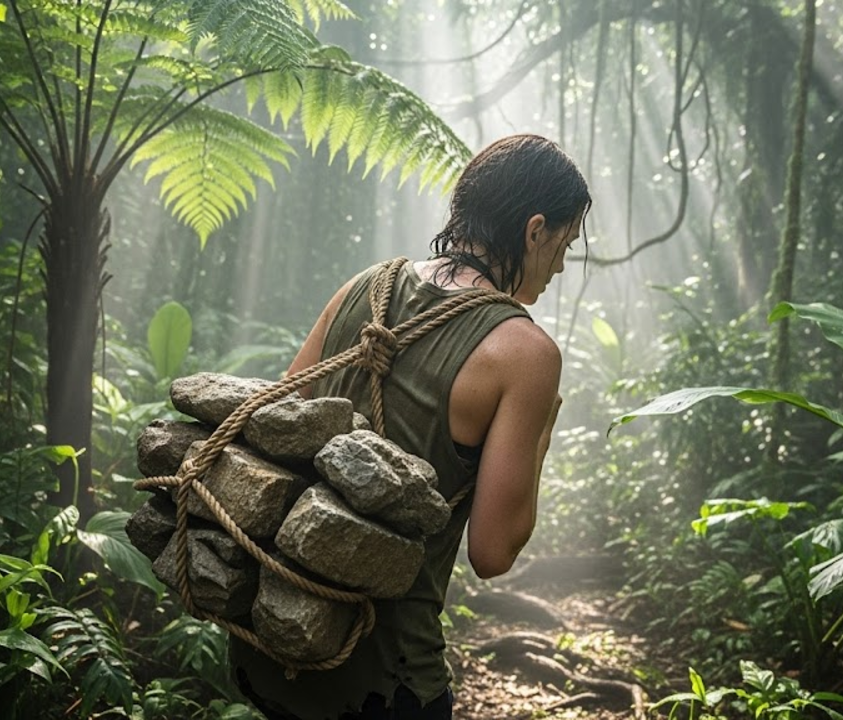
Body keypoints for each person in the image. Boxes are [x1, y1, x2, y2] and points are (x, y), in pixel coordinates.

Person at [230, 133, 591, 720]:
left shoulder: (365, 286)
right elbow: (494, 552)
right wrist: (541, 432)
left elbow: (270, 430)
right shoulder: (524, 353)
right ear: (534, 230)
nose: (560, 263)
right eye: (564, 243)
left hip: (272, 649)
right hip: (386, 682)